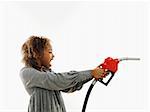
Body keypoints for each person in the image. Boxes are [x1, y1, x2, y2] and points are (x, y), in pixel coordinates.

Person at [20, 36, 107, 112]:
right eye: (50, 52)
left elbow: (68, 86)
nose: (53, 56)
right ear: (37, 53)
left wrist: (93, 74)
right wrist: (91, 73)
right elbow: (58, 80)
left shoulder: (48, 73)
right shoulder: (27, 73)